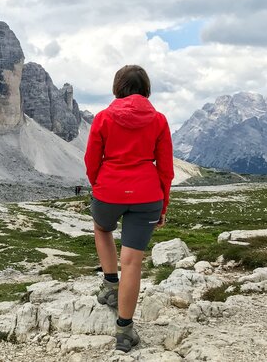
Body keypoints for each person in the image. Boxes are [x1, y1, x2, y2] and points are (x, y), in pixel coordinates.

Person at [84, 65, 174, 353]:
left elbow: (90, 160)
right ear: (146, 89)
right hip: (147, 195)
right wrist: (163, 205)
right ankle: (124, 332)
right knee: (132, 262)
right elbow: (167, 169)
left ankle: (110, 285)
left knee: (102, 227)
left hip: (109, 190)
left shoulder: (103, 118)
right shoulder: (159, 120)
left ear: (117, 87)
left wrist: (99, 184)